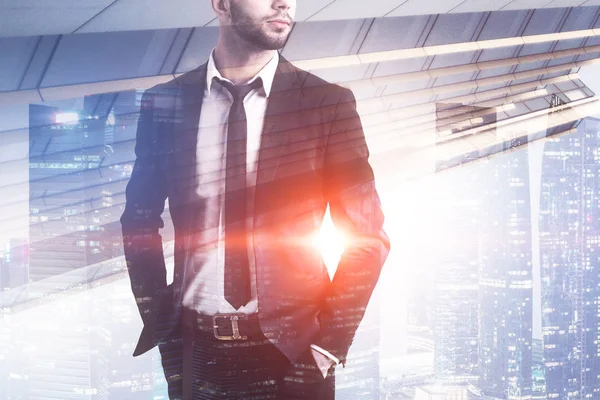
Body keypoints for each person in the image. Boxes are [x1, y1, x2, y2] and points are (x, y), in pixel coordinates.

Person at [120, 0, 390, 398]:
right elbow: (139, 221)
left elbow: (368, 238)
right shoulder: (165, 103)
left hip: (294, 357)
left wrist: (326, 347)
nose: (284, 3)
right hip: (195, 354)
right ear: (222, 4)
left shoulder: (327, 104)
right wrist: (163, 329)